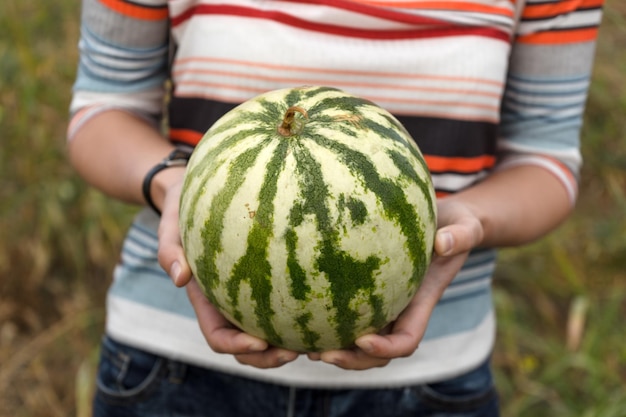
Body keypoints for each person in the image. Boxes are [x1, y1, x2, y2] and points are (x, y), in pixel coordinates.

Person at [67, 0, 604, 415]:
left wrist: (470, 221)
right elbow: (102, 110)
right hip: (171, 370)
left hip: (430, 384)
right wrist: (173, 184)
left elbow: (546, 161)